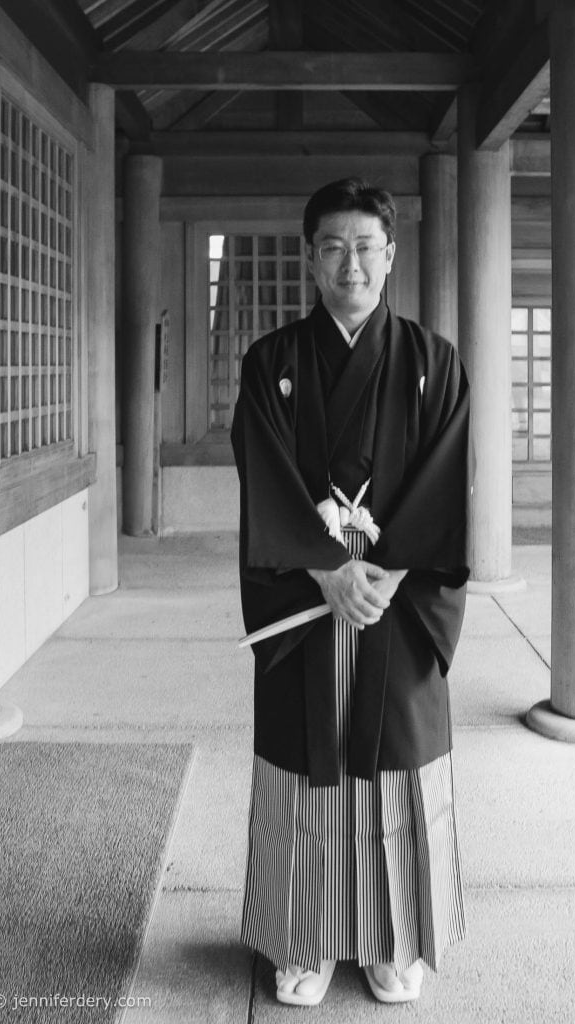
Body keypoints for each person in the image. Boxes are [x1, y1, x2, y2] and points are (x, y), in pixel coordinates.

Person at [231, 178, 470, 1007]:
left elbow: (447, 481)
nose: (350, 263)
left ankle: (391, 942)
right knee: (306, 766)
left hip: (396, 604)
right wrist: (326, 571)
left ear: (391, 255)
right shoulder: (272, 364)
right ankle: (306, 942)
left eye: (366, 246)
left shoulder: (432, 362)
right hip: (306, 599)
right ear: (309, 257)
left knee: (394, 770)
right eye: (332, 247)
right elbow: (263, 472)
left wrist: (391, 570)